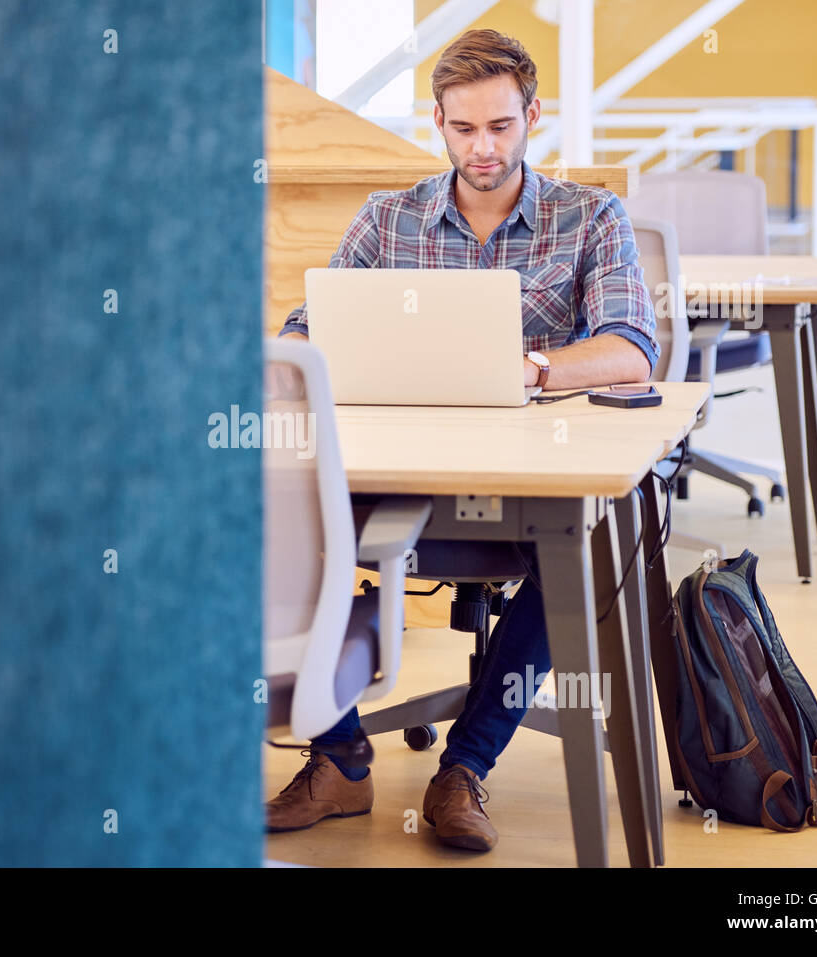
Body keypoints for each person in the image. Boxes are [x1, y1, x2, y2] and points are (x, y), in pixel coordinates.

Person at [268, 28, 659, 852]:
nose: (484, 148)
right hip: (394, 471)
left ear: (533, 115)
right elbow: (305, 328)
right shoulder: (390, 218)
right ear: (439, 124)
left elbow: (630, 346)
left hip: (526, 487)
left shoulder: (590, 217)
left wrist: (537, 368)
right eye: (464, 129)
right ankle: (340, 756)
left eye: (503, 127)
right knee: (271, 515)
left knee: (583, 551)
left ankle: (465, 766)